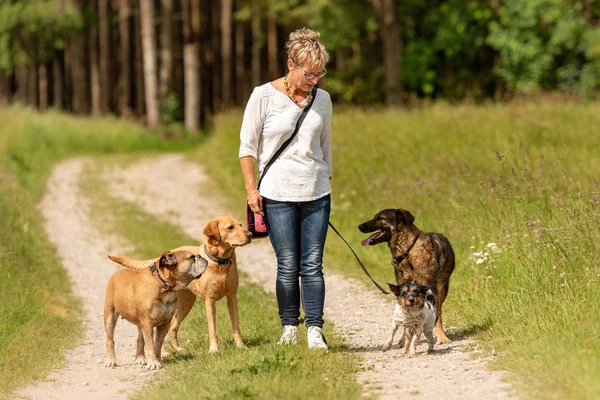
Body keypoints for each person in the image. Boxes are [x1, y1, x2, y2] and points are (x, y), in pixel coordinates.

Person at [239, 28, 332, 350]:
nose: (315, 80)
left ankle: (315, 330)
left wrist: (325, 179)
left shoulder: (323, 99)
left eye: (320, 74)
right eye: (309, 74)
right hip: (276, 193)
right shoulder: (262, 96)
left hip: (316, 192)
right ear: (291, 64)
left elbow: (325, 147)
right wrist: (252, 191)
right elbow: (247, 148)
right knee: (288, 264)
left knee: (313, 264)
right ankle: (289, 327)